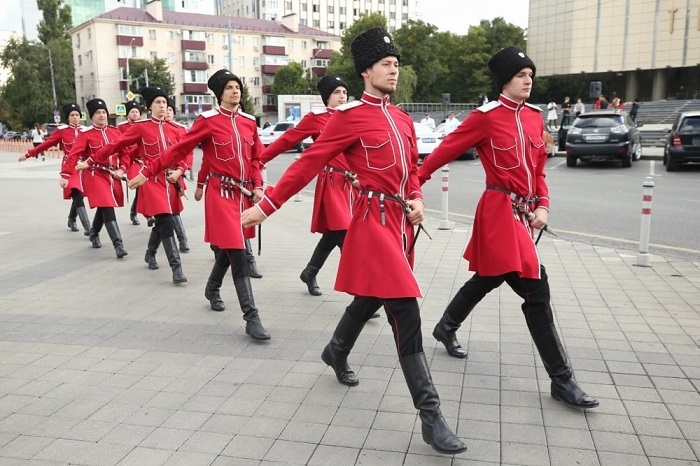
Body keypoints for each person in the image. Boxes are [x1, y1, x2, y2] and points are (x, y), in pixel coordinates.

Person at [241, 27, 467, 455]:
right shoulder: (348, 118)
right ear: (366, 71)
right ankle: (431, 416)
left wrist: (417, 198)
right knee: (404, 307)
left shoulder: (402, 119)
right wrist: (268, 205)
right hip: (371, 224)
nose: (394, 70)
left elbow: (411, 174)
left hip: (400, 225)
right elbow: (307, 163)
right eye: (386, 64)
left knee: (370, 298)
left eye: (397, 64)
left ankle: (335, 350)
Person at [417, 46, 599, 410]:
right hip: (499, 212)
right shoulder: (484, 118)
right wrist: (414, 184)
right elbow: (444, 150)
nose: (528, 79)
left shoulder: (534, 118)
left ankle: (445, 326)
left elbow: (539, 172)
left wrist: (543, 205)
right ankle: (562, 380)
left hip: (525, 214)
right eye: (520, 75)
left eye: (530, 74)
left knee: (488, 277)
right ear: (505, 80)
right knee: (536, 288)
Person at [129, 69, 269, 341]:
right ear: (219, 93)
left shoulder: (249, 122)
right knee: (237, 252)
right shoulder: (207, 121)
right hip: (220, 194)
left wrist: (258, 185)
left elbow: (256, 158)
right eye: (229, 87)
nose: (235, 91)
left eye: (237, 86)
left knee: (231, 249)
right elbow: (178, 150)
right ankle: (252, 317)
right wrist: (147, 172)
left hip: (243, 194)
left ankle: (212, 287)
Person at [79, 87, 188, 283]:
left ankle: (150, 252)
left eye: (164, 102)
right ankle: (176, 267)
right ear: (149, 106)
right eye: (157, 103)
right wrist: (91, 161)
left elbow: (185, 154)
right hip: (150, 180)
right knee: (166, 219)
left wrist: (181, 170)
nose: (162, 106)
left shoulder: (175, 130)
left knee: (163, 221)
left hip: (171, 180)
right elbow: (117, 146)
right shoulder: (141, 127)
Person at [260, 74, 354, 296]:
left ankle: (310, 272)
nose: (342, 96)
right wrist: (261, 158)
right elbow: (288, 139)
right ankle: (363, 295)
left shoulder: (352, 117)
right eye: (336, 92)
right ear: (326, 97)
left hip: (351, 185)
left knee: (334, 234)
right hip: (331, 182)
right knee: (346, 237)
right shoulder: (316, 118)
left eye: (344, 92)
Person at [65, 98, 128, 258]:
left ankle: (93, 232)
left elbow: (125, 154)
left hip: (113, 174)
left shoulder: (115, 131)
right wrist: (65, 174)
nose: (102, 115)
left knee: (104, 206)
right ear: (91, 117)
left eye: (104, 112)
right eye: (98, 113)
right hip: (95, 174)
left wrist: (122, 169)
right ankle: (118, 244)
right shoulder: (86, 135)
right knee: (107, 205)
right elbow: (73, 154)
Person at [20, 104, 90, 235]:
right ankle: (88, 227)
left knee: (79, 195)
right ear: (68, 117)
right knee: (76, 192)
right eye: (72, 115)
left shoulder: (86, 130)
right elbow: (46, 144)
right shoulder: (62, 131)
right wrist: (29, 154)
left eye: (77, 115)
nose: (75, 118)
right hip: (70, 167)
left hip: (84, 166)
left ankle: (71, 219)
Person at [165, 98, 192, 254]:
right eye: (164, 108)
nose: (167, 112)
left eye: (170, 109)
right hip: (158, 175)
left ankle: (182, 239)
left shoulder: (180, 130)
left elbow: (187, 153)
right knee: (164, 212)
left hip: (176, 173)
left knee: (174, 208)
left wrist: (181, 170)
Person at [120, 100, 143, 226]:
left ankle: (136, 211)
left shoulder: (144, 125)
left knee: (144, 188)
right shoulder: (122, 127)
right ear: (127, 114)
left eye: (137, 112)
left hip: (142, 161)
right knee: (140, 185)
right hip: (130, 161)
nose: (135, 114)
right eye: (132, 112)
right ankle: (135, 213)